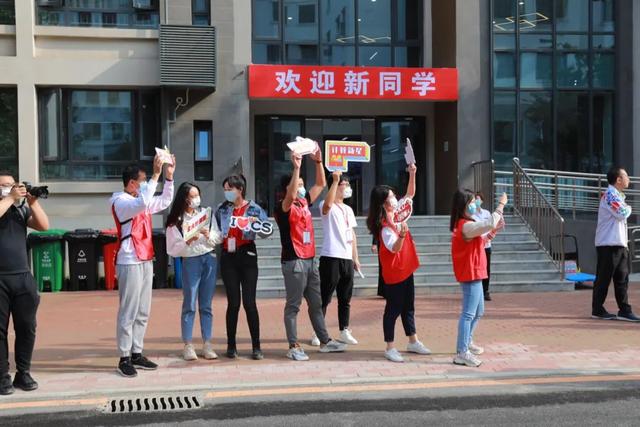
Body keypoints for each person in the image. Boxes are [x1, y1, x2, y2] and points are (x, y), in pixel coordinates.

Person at [274, 146, 347, 361]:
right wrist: (296, 168)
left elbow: (321, 184)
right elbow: (290, 196)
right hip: (293, 261)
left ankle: (325, 341)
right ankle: (293, 345)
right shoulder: (283, 206)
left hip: (309, 259)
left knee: (316, 303)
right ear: (288, 188)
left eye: (303, 185)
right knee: (293, 305)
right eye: (298, 186)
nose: (303, 189)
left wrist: (318, 162)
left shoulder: (304, 202)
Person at [110, 155, 175, 378]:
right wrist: (156, 175)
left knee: (143, 310)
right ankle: (124, 357)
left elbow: (164, 201)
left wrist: (168, 178)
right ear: (131, 183)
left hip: (146, 257)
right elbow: (144, 203)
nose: (147, 184)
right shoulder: (121, 201)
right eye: (144, 180)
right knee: (128, 310)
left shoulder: (140, 198)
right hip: (129, 259)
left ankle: (137, 352)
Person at [366, 163, 431, 363]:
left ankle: (413, 341)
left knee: (408, 307)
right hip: (394, 274)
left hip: (406, 269)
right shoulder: (385, 228)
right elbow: (394, 248)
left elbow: (410, 195)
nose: (395, 199)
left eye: (394, 195)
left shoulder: (398, 214)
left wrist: (412, 173)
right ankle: (390, 346)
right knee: (393, 309)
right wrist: (402, 235)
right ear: (383, 204)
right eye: (391, 197)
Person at [0, 172, 49, 395]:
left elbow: (44, 226)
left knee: (27, 327)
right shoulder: (7, 204)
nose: (11, 188)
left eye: (13, 185)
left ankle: (23, 372)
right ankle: (2, 376)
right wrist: (9, 197)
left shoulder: (20, 210)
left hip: (22, 277)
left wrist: (33, 202)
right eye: (5, 186)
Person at [450, 189, 507, 367]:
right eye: (471, 202)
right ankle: (462, 351)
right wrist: (501, 205)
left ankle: (467, 343)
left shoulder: (468, 224)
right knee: (468, 314)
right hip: (470, 273)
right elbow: (490, 222)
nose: (475, 204)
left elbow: (481, 240)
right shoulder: (464, 225)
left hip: (476, 272)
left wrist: (493, 233)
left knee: (478, 311)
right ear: (463, 206)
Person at [215, 175, 270, 360]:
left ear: (240, 189)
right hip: (228, 256)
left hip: (247, 255)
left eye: (229, 188)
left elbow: (266, 231)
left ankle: (256, 346)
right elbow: (216, 231)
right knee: (233, 303)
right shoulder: (222, 209)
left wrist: (255, 226)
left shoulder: (253, 208)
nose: (227, 192)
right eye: (225, 189)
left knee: (249, 302)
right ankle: (231, 345)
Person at [166, 182, 222, 362]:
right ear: (185, 198)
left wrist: (208, 235)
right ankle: (188, 345)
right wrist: (187, 242)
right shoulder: (177, 220)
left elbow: (218, 237)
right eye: (192, 196)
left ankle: (207, 343)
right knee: (189, 303)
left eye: (198, 195)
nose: (196, 199)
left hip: (209, 258)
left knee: (206, 305)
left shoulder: (206, 214)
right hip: (191, 261)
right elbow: (172, 249)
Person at [592, 167, 640, 322]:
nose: (629, 179)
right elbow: (622, 213)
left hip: (618, 243)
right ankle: (597, 309)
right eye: (626, 176)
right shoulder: (610, 195)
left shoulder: (617, 196)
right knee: (604, 278)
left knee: (622, 279)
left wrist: (625, 206)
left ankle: (624, 310)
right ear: (618, 179)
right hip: (608, 244)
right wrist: (629, 208)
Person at [318, 171, 360, 345]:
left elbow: (352, 234)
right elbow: (327, 206)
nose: (348, 188)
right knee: (325, 297)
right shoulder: (325, 204)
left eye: (348, 184)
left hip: (346, 258)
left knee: (345, 297)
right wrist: (335, 180)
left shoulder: (348, 209)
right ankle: (318, 331)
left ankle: (344, 330)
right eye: (345, 184)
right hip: (331, 256)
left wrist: (355, 258)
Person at [472, 192, 505, 301]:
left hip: (486, 245)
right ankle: (476, 291)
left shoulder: (486, 213)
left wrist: (494, 231)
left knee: (486, 269)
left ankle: (485, 291)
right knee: (477, 268)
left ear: (482, 201)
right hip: (477, 245)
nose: (476, 201)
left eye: (478, 199)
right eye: (474, 199)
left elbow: (492, 225)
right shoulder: (471, 215)